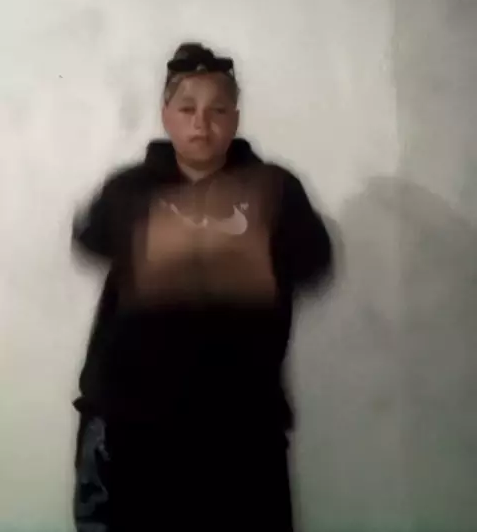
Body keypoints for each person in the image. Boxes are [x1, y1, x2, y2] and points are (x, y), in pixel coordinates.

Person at [72, 42, 333, 532]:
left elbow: (316, 263)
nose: (201, 124)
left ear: (235, 118)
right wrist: (175, 233)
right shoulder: (131, 189)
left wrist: (242, 238)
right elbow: (88, 240)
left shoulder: (274, 188)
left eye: (217, 110)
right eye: (187, 109)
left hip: (241, 428)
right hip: (131, 425)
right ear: (165, 115)